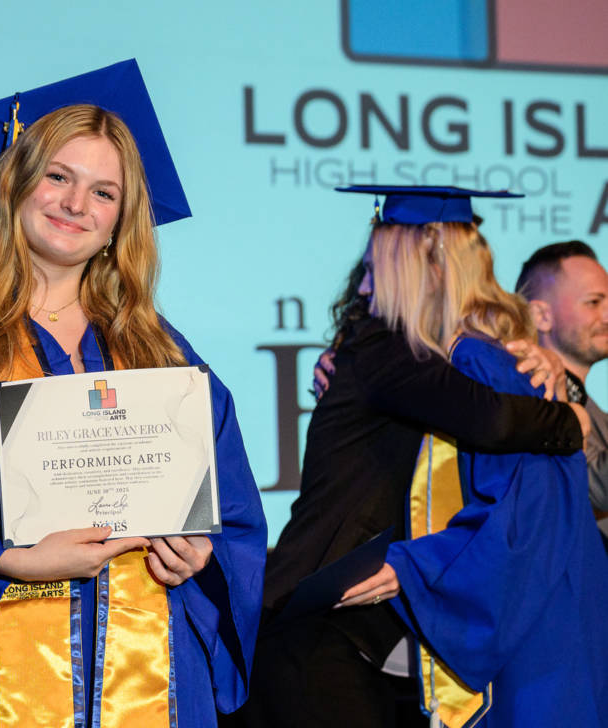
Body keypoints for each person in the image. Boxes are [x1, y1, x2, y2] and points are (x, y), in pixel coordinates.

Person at [0, 60, 266, 727]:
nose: (76, 205)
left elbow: (232, 511)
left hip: (153, 669)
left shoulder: (164, 354)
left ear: (121, 220)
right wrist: (13, 559)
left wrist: (199, 556)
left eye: (103, 192)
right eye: (58, 177)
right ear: (15, 184)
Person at [237, 187, 592, 728]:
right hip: (314, 620)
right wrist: (571, 419)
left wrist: (548, 368)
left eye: (375, 270)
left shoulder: (427, 355)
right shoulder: (384, 349)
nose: (364, 286)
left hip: (367, 635)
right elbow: (492, 420)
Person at [516, 241, 608, 539]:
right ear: (541, 316)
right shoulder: (528, 400)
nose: (607, 315)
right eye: (593, 302)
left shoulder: (595, 412)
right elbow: (592, 488)